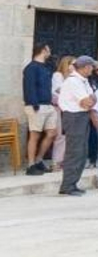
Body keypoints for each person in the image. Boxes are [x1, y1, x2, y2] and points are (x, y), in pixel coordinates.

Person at [56, 56, 97, 196]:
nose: (93, 69)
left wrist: (89, 100)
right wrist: (89, 100)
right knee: (74, 152)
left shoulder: (83, 81)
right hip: (74, 117)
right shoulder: (73, 82)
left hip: (81, 116)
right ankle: (67, 185)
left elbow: (94, 99)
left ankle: (73, 183)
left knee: (81, 152)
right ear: (85, 67)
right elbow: (87, 102)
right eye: (91, 66)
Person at [23, 43, 57, 176]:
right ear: (43, 50)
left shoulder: (46, 67)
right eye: (48, 49)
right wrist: (34, 104)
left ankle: (38, 160)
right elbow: (29, 86)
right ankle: (31, 165)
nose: (50, 52)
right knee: (35, 135)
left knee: (52, 133)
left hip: (48, 105)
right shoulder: (31, 67)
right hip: (36, 105)